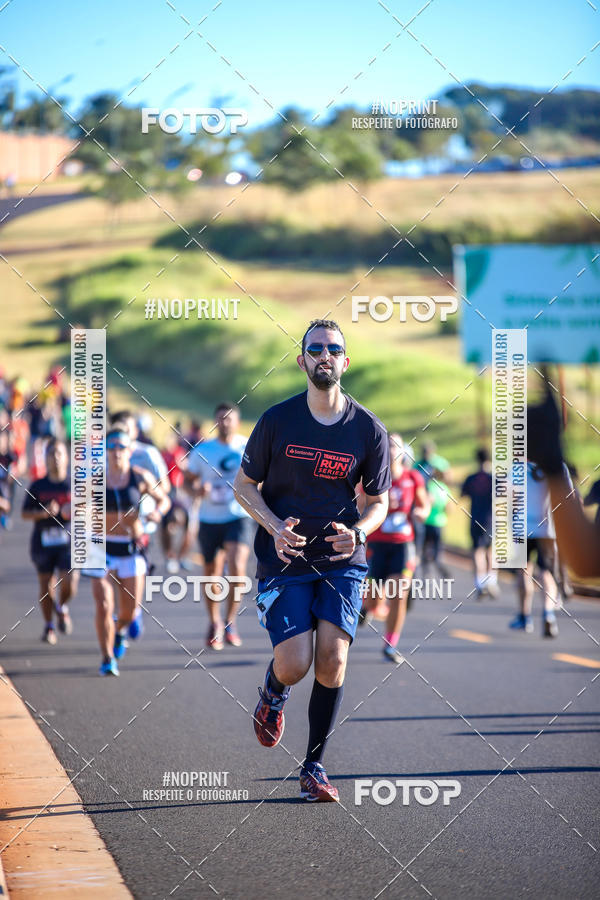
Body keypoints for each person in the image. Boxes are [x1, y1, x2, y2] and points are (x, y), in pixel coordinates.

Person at [233, 319, 390, 802]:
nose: (325, 355)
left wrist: (361, 531)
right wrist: (273, 526)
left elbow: (380, 500)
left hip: (343, 560)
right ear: (302, 360)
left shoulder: (368, 429)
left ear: (346, 361)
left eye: (334, 348)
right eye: (315, 348)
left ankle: (314, 767)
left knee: (332, 659)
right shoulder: (276, 421)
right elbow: (243, 487)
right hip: (285, 560)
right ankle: (272, 692)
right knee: (296, 663)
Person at [83, 426, 170, 675]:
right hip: (100, 548)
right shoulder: (96, 478)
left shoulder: (140, 477)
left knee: (129, 612)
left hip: (130, 549)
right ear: (105, 451)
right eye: (112, 447)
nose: (117, 452)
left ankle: (119, 631)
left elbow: (164, 499)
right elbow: (78, 506)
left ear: (130, 450)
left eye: (122, 447)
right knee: (103, 605)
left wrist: (158, 511)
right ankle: (106, 658)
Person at [186, 403, 254, 649]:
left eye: (229, 419)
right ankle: (214, 622)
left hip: (238, 516)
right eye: (220, 419)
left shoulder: (248, 447)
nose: (224, 423)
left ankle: (230, 622)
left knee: (237, 568)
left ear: (237, 421)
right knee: (211, 575)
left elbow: (262, 478)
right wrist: (197, 490)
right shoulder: (202, 451)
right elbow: (186, 482)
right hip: (209, 518)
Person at [360, 433, 430, 663]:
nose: (391, 450)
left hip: (403, 545)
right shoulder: (373, 478)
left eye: (395, 446)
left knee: (399, 593)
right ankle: (367, 608)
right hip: (377, 546)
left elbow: (424, 503)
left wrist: (422, 512)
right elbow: (360, 506)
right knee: (374, 598)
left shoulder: (413, 477)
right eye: (388, 445)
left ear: (403, 451)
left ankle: (390, 644)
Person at [527, 375, 600, 578]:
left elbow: (588, 561)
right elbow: (590, 561)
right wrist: (553, 468)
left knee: (539, 571)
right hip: (545, 529)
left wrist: (553, 467)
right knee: (546, 571)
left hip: (533, 529)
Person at [21, 439, 79, 643]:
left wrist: (75, 511)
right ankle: (49, 626)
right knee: (46, 585)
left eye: (59, 453)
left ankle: (62, 607)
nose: (55, 458)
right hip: (43, 542)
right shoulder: (38, 485)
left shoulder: (76, 484)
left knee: (70, 583)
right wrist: (43, 513)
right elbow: (24, 514)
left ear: (67, 457)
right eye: (51, 454)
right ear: (45, 458)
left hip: (69, 541)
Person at [509, 461, 559, 637]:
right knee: (545, 572)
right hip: (547, 529)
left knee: (524, 571)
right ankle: (548, 613)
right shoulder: (555, 465)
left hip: (522, 527)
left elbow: (510, 498)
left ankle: (524, 617)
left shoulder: (518, 468)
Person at [461, 447, 498, 599]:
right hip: (491, 519)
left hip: (475, 517)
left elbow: (463, 494)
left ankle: (480, 583)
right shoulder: (494, 478)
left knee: (477, 550)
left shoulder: (471, 478)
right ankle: (492, 581)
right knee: (490, 550)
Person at [161, 430, 193, 573]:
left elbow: (187, 470)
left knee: (188, 524)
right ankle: (170, 556)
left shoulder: (179, 452)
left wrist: (182, 467)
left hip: (179, 492)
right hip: (167, 492)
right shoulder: (162, 454)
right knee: (167, 525)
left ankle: (181, 557)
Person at [421, 469, 451, 579]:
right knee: (437, 549)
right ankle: (438, 564)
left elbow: (426, 502)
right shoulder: (444, 488)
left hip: (427, 522)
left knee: (424, 549)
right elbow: (449, 507)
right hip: (440, 523)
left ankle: (426, 573)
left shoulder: (428, 487)